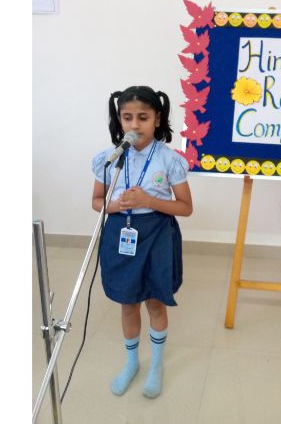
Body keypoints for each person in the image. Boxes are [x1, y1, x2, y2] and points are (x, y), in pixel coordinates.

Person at [90, 85, 193, 399]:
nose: (135, 125)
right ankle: (132, 362)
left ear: (157, 119)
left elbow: (185, 208)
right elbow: (96, 201)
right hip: (120, 232)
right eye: (127, 117)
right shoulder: (110, 159)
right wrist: (114, 206)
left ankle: (156, 365)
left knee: (155, 301)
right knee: (128, 300)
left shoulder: (169, 159)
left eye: (143, 117)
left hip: (157, 235)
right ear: (119, 120)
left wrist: (149, 200)